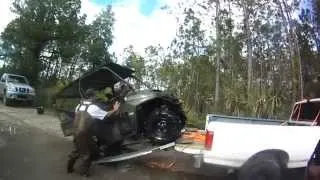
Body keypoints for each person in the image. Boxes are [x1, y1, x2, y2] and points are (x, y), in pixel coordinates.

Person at [67, 88, 120, 177]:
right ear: (92, 97)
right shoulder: (93, 107)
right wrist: (115, 109)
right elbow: (106, 115)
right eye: (95, 96)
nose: (96, 97)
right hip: (84, 134)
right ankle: (83, 173)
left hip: (76, 132)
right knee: (86, 154)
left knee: (86, 150)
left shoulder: (78, 106)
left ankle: (69, 167)